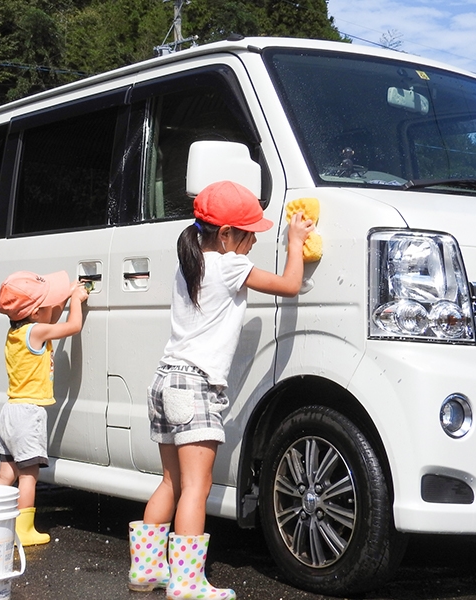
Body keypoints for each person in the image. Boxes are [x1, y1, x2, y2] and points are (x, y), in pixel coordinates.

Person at [127, 181, 315, 599]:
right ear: (227, 234)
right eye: (250, 235)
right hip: (195, 386)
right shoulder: (229, 265)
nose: (253, 242)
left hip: (165, 380)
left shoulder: (189, 264)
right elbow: (290, 285)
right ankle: (187, 583)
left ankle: (146, 569)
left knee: (171, 482)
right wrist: (295, 242)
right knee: (197, 486)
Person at [0, 270, 89, 546]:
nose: (52, 307)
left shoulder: (17, 332)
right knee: (29, 476)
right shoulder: (37, 331)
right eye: (48, 304)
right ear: (35, 313)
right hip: (28, 414)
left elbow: (50, 318)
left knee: (7, 474)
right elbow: (72, 326)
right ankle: (23, 530)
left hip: (10, 411)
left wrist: (64, 296)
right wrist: (75, 300)